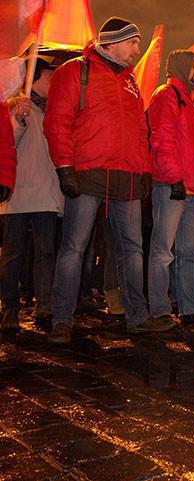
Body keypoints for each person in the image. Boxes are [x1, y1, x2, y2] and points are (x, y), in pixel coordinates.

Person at [43, 17, 175, 344]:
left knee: (133, 249)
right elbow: (57, 121)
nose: (137, 50)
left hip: (127, 176)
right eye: (132, 43)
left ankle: (138, 317)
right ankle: (62, 319)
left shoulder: (131, 83)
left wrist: (144, 170)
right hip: (87, 171)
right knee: (74, 247)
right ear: (112, 43)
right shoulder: (75, 71)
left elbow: (139, 133)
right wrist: (64, 166)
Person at [147, 50, 194, 326]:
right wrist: (173, 177)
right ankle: (160, 310)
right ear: (181, 67)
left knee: (190, 252)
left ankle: (190, 307)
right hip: (173, 186)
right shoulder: (167, 95)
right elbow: (161, 139)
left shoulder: (187, 101)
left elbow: (193, 144)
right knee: (163, 251)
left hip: (192, 189)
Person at [0, 52, 65, 331]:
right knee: (13, 253)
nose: (54, 80)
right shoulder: (15, 107)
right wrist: (19, 120)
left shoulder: (55, 111)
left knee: (46, 253)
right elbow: (7, 145)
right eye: (49, 75)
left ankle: (45, 305)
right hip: (19, 194)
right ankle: (10, 308)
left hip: (47, 195)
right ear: (35, 79)